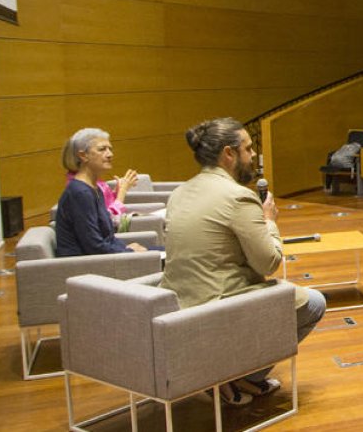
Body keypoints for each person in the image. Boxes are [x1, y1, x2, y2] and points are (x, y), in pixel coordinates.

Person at [162, 118, 326, 404]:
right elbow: (269, 263)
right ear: (229, 153)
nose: (253, 157)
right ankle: (239, 377)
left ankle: (230, 376)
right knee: (314, 303)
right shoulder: (238, 197)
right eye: (248, 149)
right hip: (218, 306)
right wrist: (269, 221)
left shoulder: (179, 192)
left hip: (178, 305)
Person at [55, 128, 148, 257]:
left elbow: (107, 237)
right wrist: (129, 251)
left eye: (110, 149)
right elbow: (94, 246)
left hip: (104, 256)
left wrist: (125, 247)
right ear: (83, 155)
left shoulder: (94, 187)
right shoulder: (80, 193)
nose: (110, 154)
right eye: (102, 149)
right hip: (88, 266)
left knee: (167, 251)